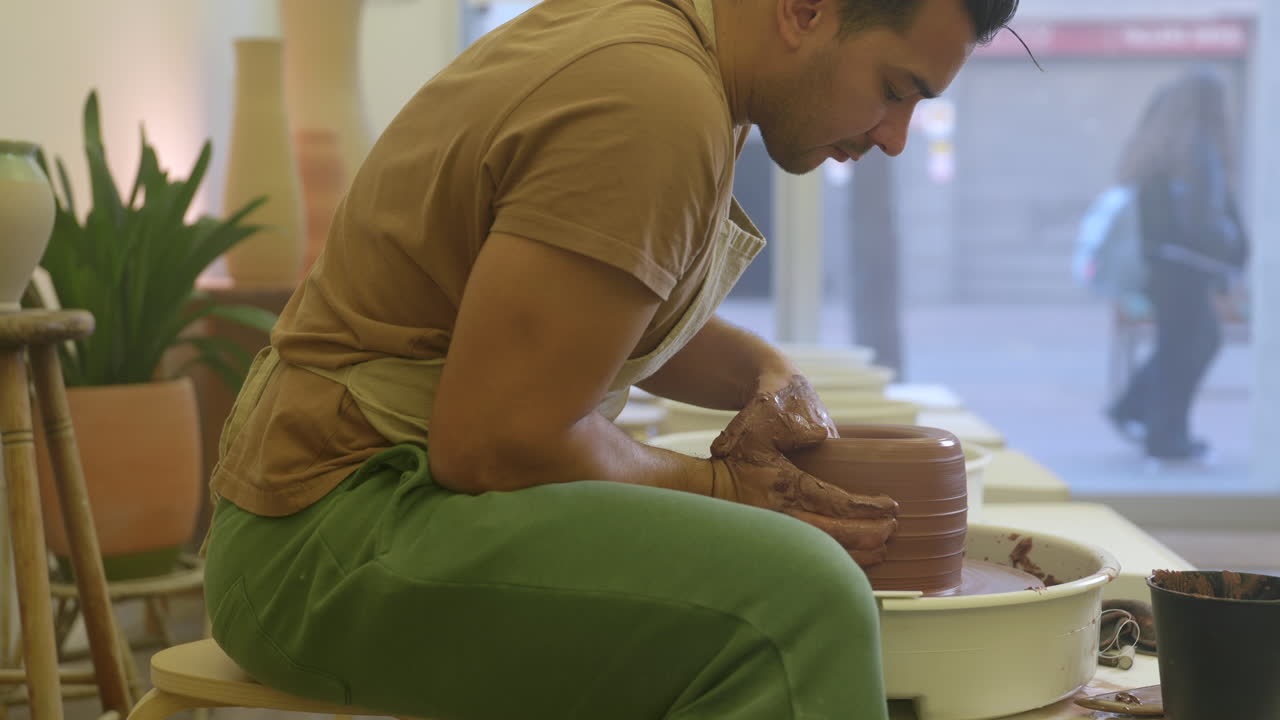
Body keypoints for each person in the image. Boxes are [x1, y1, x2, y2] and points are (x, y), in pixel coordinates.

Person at [203, 1, 1019, 719]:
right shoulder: (653, 97)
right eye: (895, 88)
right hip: (318, 538)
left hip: (349, 505)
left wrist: (765, 372)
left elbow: (578, 313)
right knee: (800, 601)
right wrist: (728, 489)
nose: (897, 137)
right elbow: (497, 442)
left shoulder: (673, 57)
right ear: (805, 9)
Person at [1107, 66, 1249, 462]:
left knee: (1183, 344)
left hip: (1162, 267)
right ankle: (1164, 433)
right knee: (1190, 345)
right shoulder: (1199, 148)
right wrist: (1232, 258)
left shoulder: (1161, 140)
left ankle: (1143, 412)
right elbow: (1207, 220)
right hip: (1186, 267)